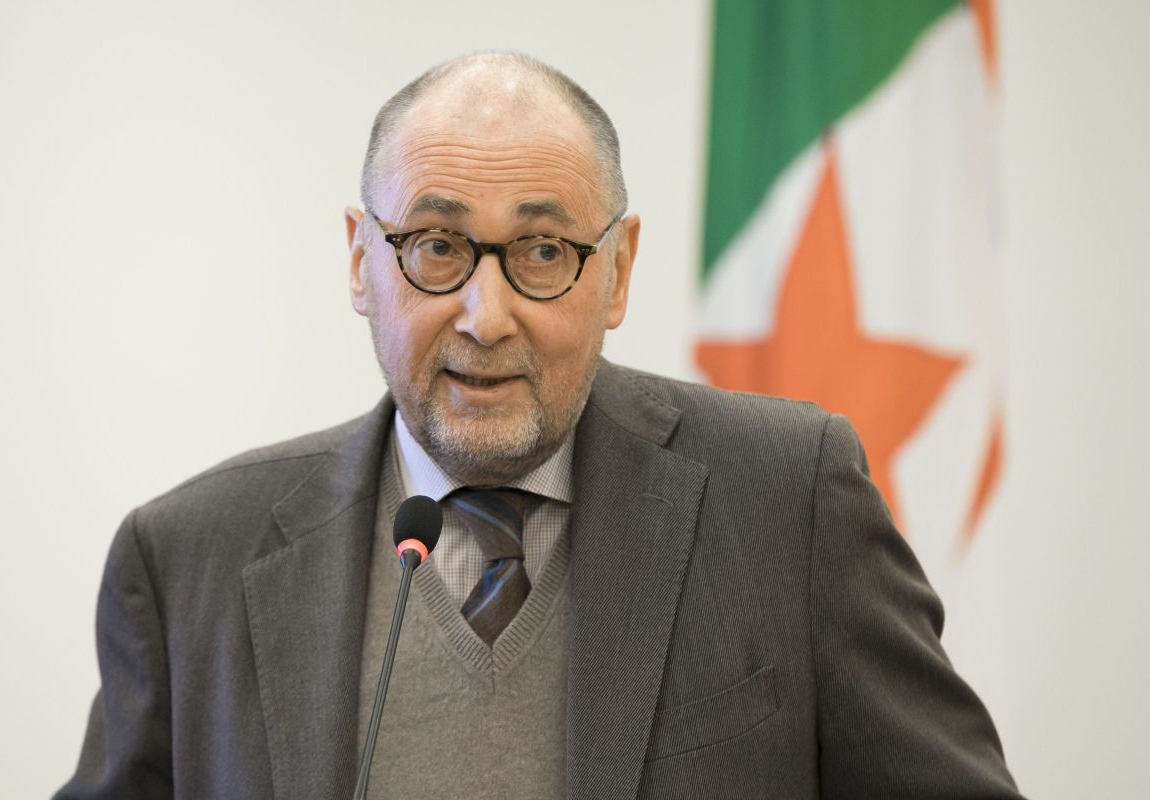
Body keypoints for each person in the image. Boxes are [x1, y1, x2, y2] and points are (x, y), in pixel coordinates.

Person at [55, 52, 1023, 799]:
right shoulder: (187, 558)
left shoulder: (789, 499)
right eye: (436, 245)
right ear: (360, 260)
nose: (487, 315)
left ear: (619, 271)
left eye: (545, 250)